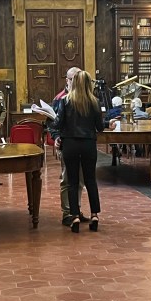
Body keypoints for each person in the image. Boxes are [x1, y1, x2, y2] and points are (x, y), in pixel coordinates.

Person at [51, 70, 105, 233]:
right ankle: (94, 215)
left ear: (74, 83)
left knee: (72, 181)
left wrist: (53, 119)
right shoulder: (94, 102)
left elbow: (58, 124)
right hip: (88, 144)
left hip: (70, 144)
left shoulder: (66, 100)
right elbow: (100, 127)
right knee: (90, 180)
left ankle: (74, 216)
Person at [49, 68, 85, 223]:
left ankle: (76, 209)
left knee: (80, 180)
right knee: (67, 179)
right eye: (73, 79)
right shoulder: (60, 99)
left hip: (82, 144)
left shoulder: (84, 97)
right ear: (67, 80)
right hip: (66, 143)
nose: (76, 82)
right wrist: (56, 137)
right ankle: (67, 213)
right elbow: (52, 123)